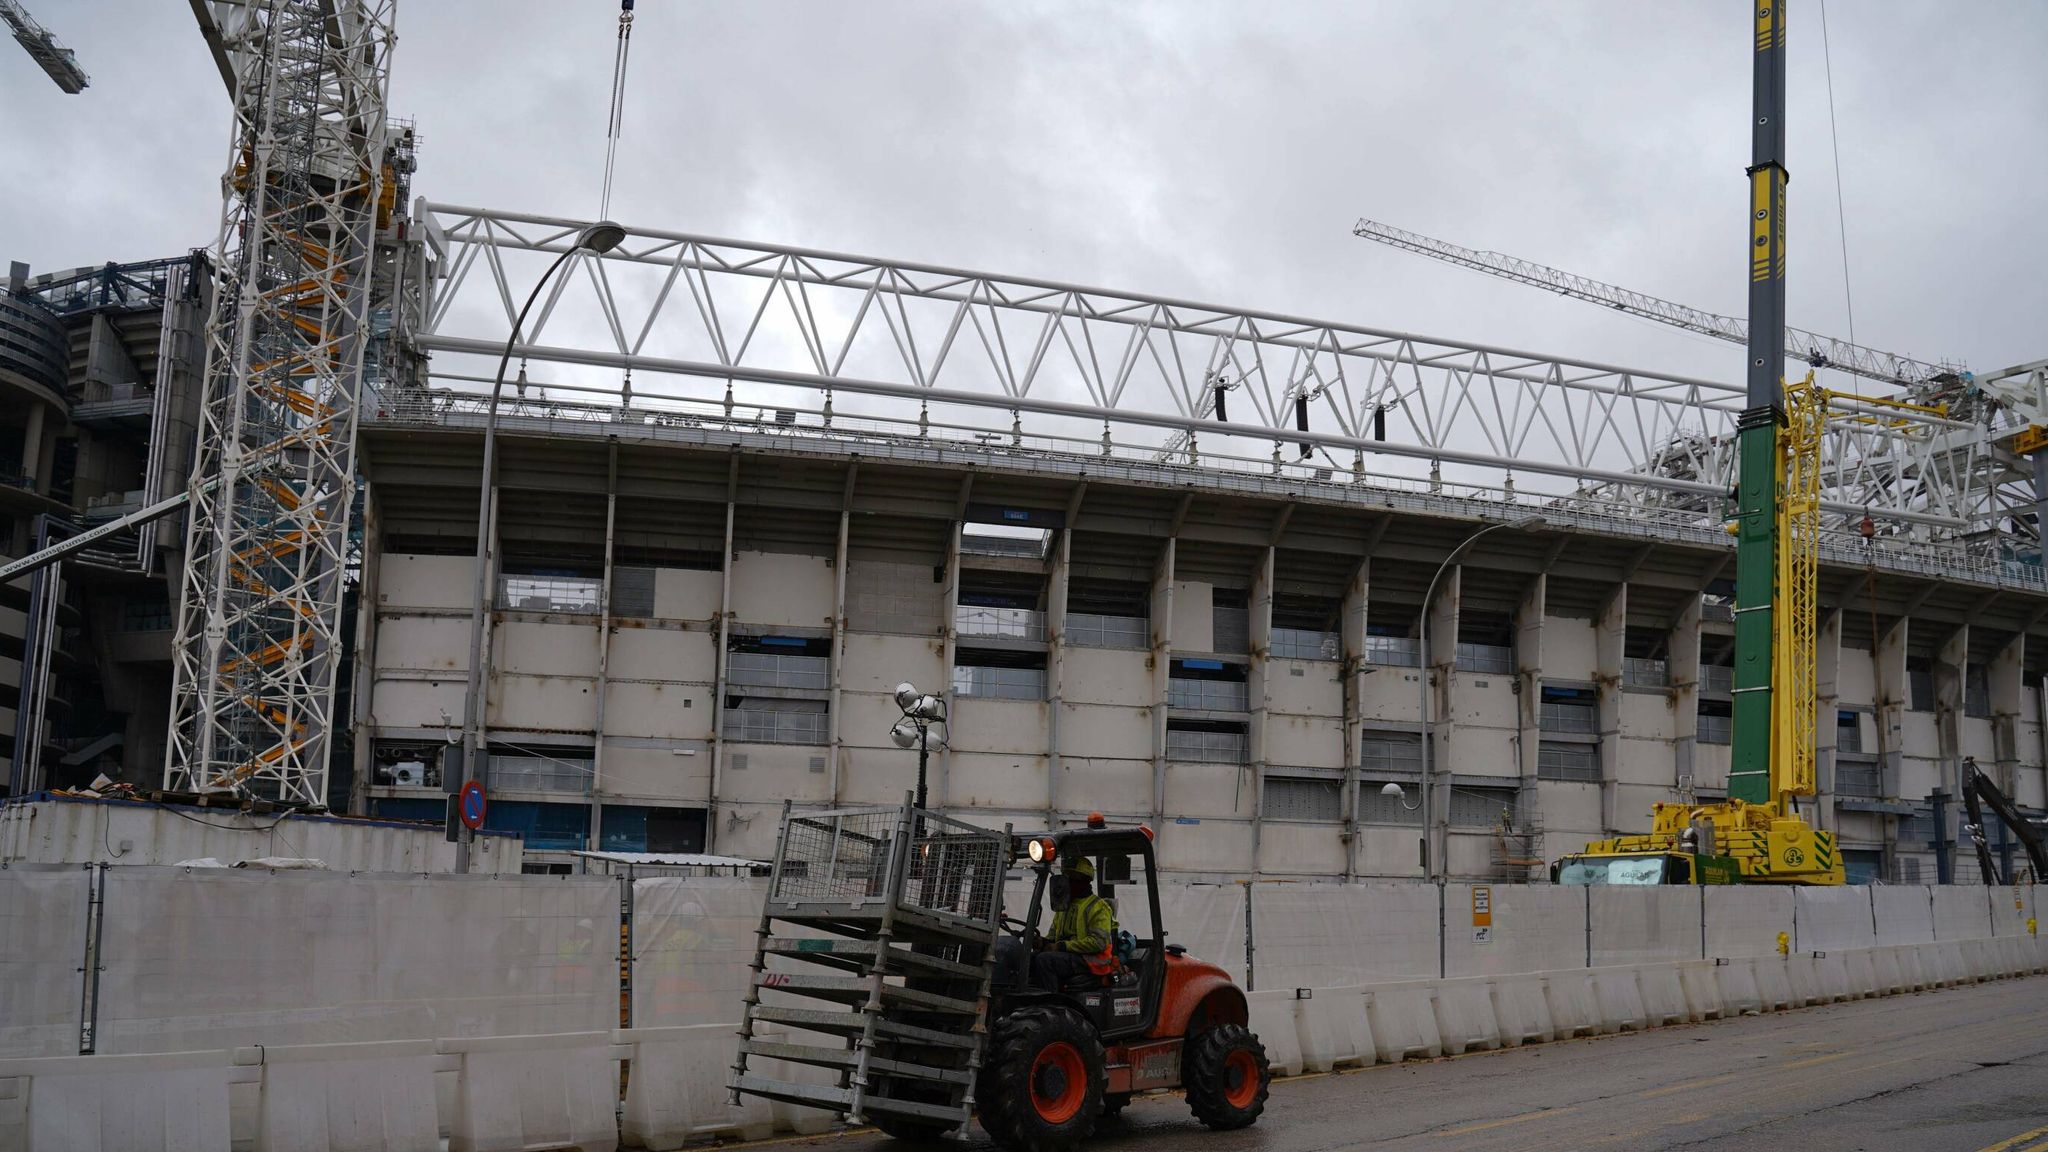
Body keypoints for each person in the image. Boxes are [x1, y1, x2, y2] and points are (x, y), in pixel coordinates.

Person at [1030, 857, 1117, 991]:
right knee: (1029, 959)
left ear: (1084, 881)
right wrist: (1043, 942)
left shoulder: (1098, 907)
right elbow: (1054, 938)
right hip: (1070, 956)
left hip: (1091, 961)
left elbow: (1099, 943)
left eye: (1072, 879)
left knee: (1045, 960)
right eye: (1066, 879)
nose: (1067, 884)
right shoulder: (1064, 906)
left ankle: (1050, 1003)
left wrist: (1061, 946)